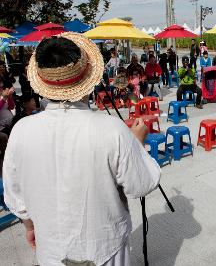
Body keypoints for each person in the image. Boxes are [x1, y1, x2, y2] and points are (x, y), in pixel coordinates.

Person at [3, 32, 161, 266]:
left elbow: (15, 195)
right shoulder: (111, 129)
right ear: (89, 78)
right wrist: (136, 141)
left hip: (51, 250)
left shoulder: (21, 130)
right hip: (105, 249)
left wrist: (29, 226)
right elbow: (141, 184)